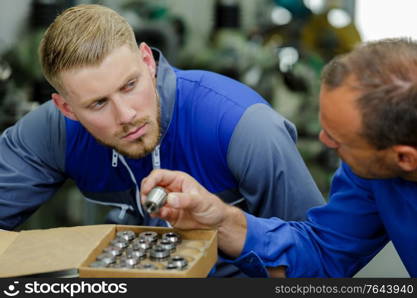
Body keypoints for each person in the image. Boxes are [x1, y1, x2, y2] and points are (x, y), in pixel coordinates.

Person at [0, 4, 324, 277]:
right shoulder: (52, 131)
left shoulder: (245, 127)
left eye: (129, 85)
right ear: (66, 108)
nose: (126, 115)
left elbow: (320, 258)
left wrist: (228, 225)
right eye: (98, 103)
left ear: (147, 61)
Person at [140, 38, 417, 277]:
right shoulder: (370, 171)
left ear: (405, 159)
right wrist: (221, 221)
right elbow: (324, 256)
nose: (323, 140)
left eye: (337, 139)